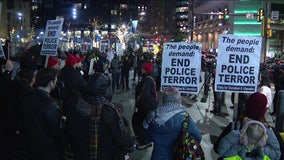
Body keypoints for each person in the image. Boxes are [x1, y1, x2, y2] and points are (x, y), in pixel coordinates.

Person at [69, 72, 135, 160]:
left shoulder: (75, 105)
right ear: (105, 90)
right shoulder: (108, 112)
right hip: (104, 154)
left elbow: (69, 133)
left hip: (81, 154)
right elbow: (120, 139)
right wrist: (130, 140)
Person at [214, 92, 284, 159]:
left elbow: (217, 149)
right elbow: (280, 155)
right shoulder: (271, 132)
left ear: (246, 107)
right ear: (264, 111)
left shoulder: (234, 127)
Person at [143, 87, 202, 160]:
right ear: (178, 99)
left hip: (157, 156)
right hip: (179, 155)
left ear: (164, 99)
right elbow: (198, 136)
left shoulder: (153, 115)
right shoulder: (185, 118)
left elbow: (147, 134)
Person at [21, 68, 65, 160]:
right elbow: (56, 132)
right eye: (55, 80)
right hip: (47, 151)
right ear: (51, 83)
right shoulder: (50, 105)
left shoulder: (26, 98)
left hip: (28, 148)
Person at [132, 61, 158, 149]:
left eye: (143, 68)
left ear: (145, 70)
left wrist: (137, 106)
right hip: (149, 105)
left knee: (136, 122)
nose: (141, 69)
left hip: (145, 106)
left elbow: (144, 94)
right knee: (142, 123)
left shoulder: (147, 79)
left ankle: (144, 141)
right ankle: (142, 138)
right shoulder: (149, 77)